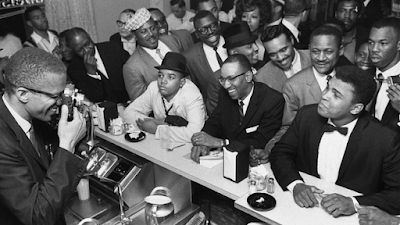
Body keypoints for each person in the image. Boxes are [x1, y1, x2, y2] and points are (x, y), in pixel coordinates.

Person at [270, 65, 400, 217]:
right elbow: (280, 152)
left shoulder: (384, 139)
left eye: (336, 95)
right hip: (301, 210)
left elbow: (397, 193)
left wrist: (354, 203)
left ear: (356, 108)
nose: (324, 96)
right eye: (327, 88)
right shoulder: (307, 115)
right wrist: (295, 184)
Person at [0, 47, 87, 224]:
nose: (60, 102)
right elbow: (38, 216)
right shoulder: (3, 143)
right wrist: (67, 145)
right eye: (55, 96)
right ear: (23, 94)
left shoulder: (37, 117)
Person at [190, 54, 284, 163]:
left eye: (231, 79)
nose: (226, 85)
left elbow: (261, 141)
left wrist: (221, 143)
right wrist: (203, 141)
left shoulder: (272, 100)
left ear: (248, 76)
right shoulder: (224, 94)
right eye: (222, 79)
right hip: (226, 160)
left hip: (253, 162)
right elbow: (214, 121)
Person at [122, 52, 206, 142]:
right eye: (160, 75)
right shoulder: (154, 88)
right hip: (163, 143)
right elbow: (128, 113)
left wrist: (156, 129)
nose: (163, 81)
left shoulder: (192, 95)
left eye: (171, 77)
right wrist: (153, 122)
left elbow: (194, 134)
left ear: (181, 82)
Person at [282, 25, 344, 127]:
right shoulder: (293, 86)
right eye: (315, 51)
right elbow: (288, 128)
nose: (321, 58)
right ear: (309, 49)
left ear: (340, 50)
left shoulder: (349, 80)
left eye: (328, 51)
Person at [123, 8, 183, 101]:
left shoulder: (172, 40)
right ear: (135, 36)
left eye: (153, 28)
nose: (151, 34)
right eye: (144, 31)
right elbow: (141, 104)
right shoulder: (132, 67)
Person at [206, 21, 264, 114]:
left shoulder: (264, 66)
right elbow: (217, 116)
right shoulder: (217, 80)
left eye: (255, 43)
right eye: (249, 46)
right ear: (234, 52)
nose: (256, 48)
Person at [67, 27, 130, 104]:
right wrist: (91, 73)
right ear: (73, 51)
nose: (87, 50)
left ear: (90, 38)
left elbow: (133, 75)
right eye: (80, 50)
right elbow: (96, 97)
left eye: (87, 44)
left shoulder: (113, 47)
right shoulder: (74, 69)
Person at [183, 10, 228, 113]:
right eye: (203, 30)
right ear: (197, 34)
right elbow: (194, 92)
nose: (210, 32)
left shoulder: (233, 42)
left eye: (213, 26)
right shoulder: (190, 57)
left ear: (219, 24)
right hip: (215, 113)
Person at [256, 24, 311, 93]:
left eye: (283, 50)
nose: (280, 58)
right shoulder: (262, 78)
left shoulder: (314, 58)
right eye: (273, 54)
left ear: (292, 40)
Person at [369, 17, 400, 133]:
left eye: (383, 43)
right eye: (371, 43)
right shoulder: (362, 76)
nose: (374, 49)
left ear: (398, 46)